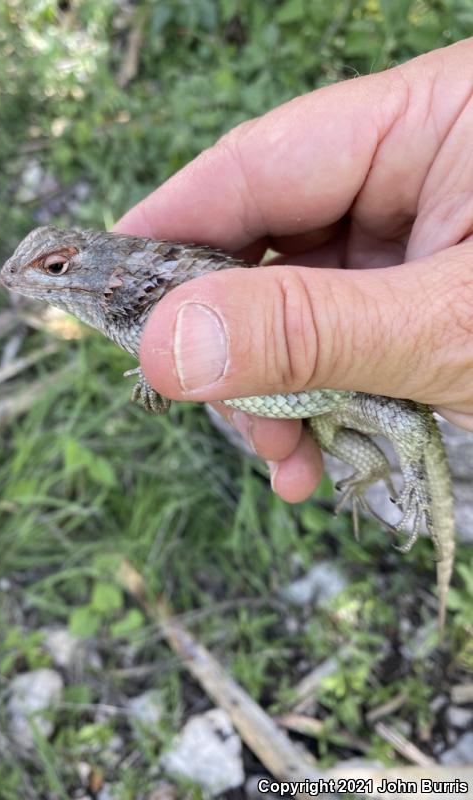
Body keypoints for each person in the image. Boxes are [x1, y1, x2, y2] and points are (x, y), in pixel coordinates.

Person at [113, 39, 473, 504]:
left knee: (404, 424)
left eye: (58, 267)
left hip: (348, 384)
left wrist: (290, 334)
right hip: (314, 404)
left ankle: (420, 492)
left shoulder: (150, 283)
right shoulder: (133, 307)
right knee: (322, 436)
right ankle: (372, 477)